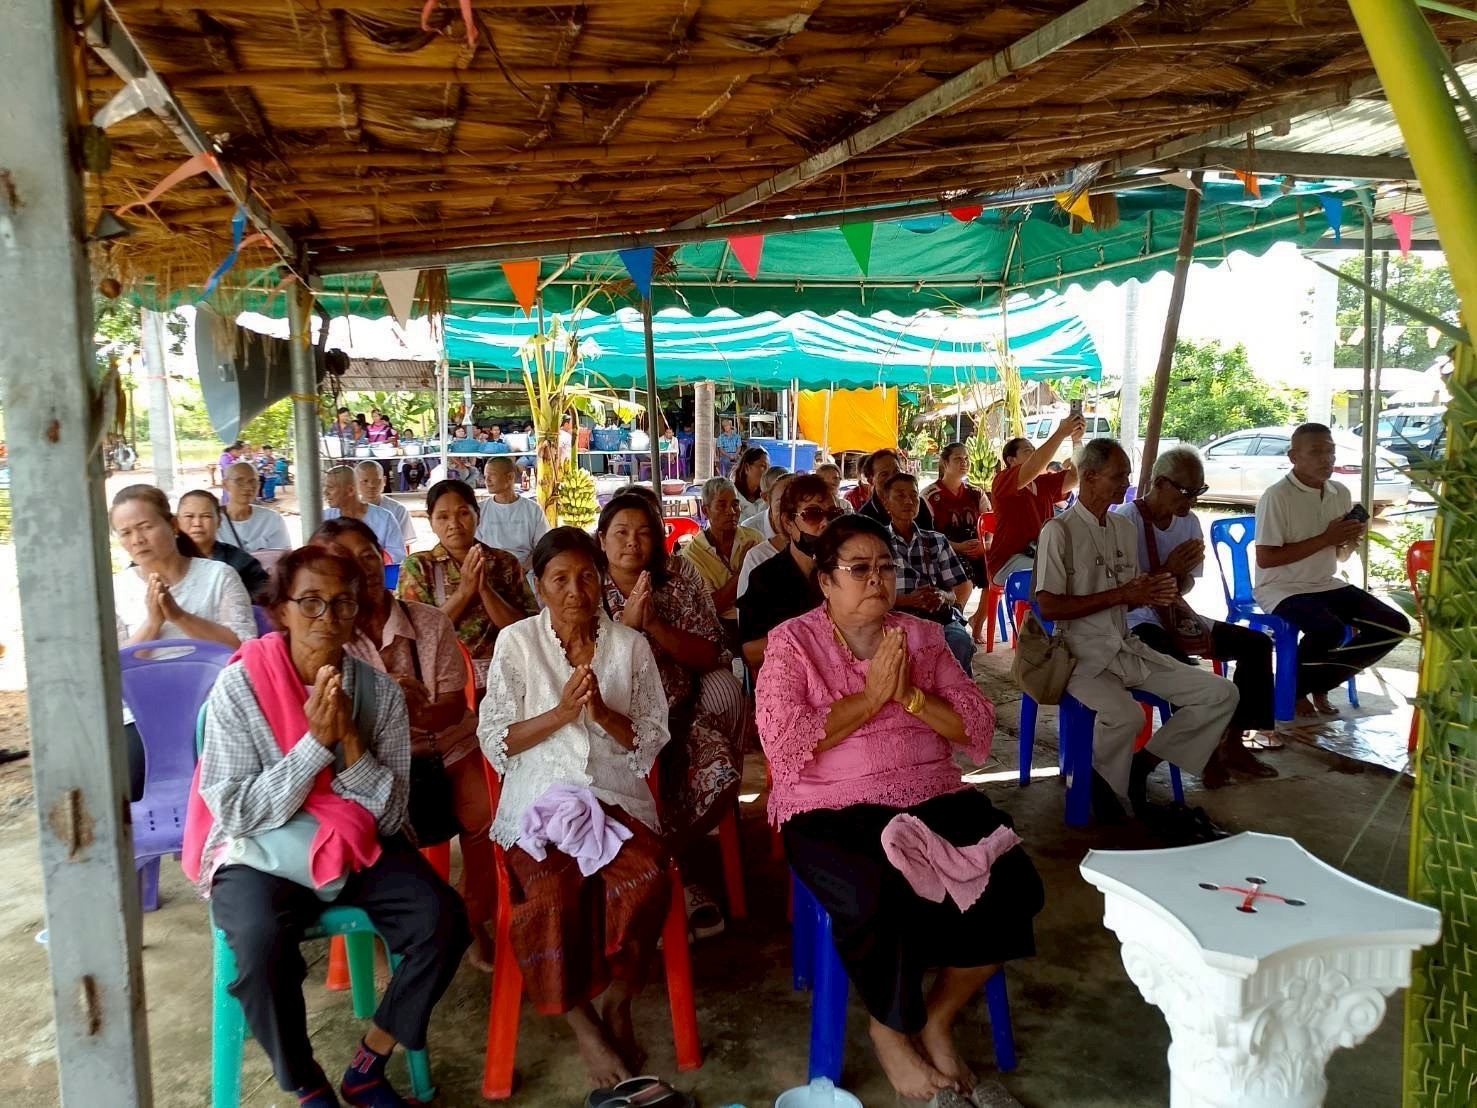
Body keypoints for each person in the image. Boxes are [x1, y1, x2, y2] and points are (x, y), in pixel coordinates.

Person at [756, 514, 1043, 1102]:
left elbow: (973, 724)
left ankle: (934, 1020)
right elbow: (783, 742)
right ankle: (891, 1033)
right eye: (858, 569)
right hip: (828, 806)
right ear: (826, 583)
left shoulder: (923, 637)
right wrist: (869, 698)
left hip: (931, 792)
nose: (876, 579)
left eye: (886, 567)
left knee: (1014, 883)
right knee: (877, 890)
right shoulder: (793, 643)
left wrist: (909, 695)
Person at [187, 543, 469, 1108]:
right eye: (310, 603)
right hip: (259, 850)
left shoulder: (378, 692)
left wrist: (353, 747)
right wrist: (315, 748)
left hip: (357, 841)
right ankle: (304, 1080)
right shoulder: (239, 688)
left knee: (443, 921)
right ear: (281, 610)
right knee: (260, 942)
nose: (327, 618)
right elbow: (236, 811)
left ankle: (370, 1061)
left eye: (343, 604)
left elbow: (391, 816)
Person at [479, 528, 672, 1088]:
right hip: (538, 804)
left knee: (647, 877)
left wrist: (603, 714)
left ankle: (617, 1000)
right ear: (538, 586)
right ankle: (583, 1024)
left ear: (602, 580)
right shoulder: (517, 644)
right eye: (559, 579)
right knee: (548, 892)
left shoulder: (630, 647)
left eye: (587, 576)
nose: (575, 590)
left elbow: (651, 737)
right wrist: (562, 714)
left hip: (615, 797)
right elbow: (497, 741)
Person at [316, 518, 498, 971]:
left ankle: (469, 918)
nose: (362, 567)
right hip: (365, 761)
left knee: (489, 814)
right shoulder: (327, 639)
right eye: (345, 560)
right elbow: (332, 724)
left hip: (443, 751)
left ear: (383, 558)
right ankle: (379, 931)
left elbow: (453, 709)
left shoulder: (430, 622)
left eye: (367, 554)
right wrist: (385, 700)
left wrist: (412, 710)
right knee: (352, 822)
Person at [1034, 439, 1238, 835]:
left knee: (1221, 694)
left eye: (1127, 475)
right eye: (1119, 475)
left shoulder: (1123, 528)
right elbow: (1050, 607)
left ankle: (1141, 767)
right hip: (1079, 653)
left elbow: (1129, 597)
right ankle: (1109, 796)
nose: (1126, 483)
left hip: (1126, 644)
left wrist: (1158, 587)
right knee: (1124, 715)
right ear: (1089, 477)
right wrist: (1125, 594)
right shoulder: (1058, 531)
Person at [596, 493, 746, 937]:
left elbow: (710, 654)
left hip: (676, 712)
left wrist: (654, 626)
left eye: (644, 532)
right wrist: (624, 629)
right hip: (609, 723)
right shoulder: (584, 588)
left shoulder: (679, 583)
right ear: (602, 539)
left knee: (721, 771)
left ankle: (664, 864)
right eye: (620, 532)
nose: (632, 542)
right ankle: (673, 880)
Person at [1115, 447, 1278, 783]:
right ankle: (1199, 753)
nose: (1192, 499)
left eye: (1199, 491)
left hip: (1176, 612)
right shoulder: (1125, 521)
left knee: (1257, 645)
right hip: (1136, 621)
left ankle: (1233, 741)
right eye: (1186, 491)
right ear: (1160, 483)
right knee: (1183, 671)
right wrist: (1169, 569)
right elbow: (1125, 592)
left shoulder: (1187, 522)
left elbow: (1186, 584)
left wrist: (1175, 576)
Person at [1252, 422, 1410, 717]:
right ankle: (1300, 689)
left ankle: (1312, 683)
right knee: (1328, 629)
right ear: (1293, 457)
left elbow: (1338, 555)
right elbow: (1266, 559)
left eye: (1331, 451)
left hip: (1325, 582)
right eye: (1316, 452)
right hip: (1281, 587)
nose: (1327, 459)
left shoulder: (1340, 492)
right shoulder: (1277, 496)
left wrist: (1349, 539)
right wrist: (1326, 538)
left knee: (1394, 625)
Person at [111, 485, 257, 801]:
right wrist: (153, 621)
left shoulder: (219, 575)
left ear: (172, 524)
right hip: (141, 712)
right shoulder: (117, 588)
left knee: (229, 788)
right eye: (125, 533)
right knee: (126, 782)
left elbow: (244, 647)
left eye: (146, 527)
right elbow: (114, 666)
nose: (136, 539)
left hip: (217, 705)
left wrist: (179, 616)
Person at [397, 480, 538, 691]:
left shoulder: (504, 563)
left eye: (463, 513)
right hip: (445, 685)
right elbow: (416, 635)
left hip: (505, 679)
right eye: (443, 517)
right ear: (431, 523)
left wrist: (484, 590)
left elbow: (527, 629)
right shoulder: (419, 566)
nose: (453, 523)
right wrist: (464, 592)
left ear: (477, 515)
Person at [738, 474, 842, 672]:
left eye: (833, 514)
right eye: (813, 514)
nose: (825, 523)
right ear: (787, 522)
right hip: (787, 675)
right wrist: (812, 635)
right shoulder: (765, 577)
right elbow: (750, 651)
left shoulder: (843, 570)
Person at [881, 472, 975, 674]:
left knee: (960, 641)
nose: (908, 501)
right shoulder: (877, 543)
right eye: (899, 495)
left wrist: (943, 596)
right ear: (885, 503)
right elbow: (868, 594)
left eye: (914, 495)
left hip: (935, 615)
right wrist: (907, 601)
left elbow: (957, 587)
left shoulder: (936, 540)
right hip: (893, 618)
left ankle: (959, 700)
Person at [987, 416, 1084, 586]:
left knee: (1079, 569)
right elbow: (1035, 464)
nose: (1033, 452)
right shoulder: (1002, 480)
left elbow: (1075, 477)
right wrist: (1060, 433)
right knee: (1057, 574)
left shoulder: (1042, 482)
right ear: (1011, 460)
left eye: (1033, 449)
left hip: (1039, 555)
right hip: (1008, 561)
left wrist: (1077, 441)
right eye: (1027, 450)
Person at [681, 476, 763, 645]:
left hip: (759, 620)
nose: (731, 511)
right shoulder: (693, 554)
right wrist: (742, 572)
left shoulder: (754, 538)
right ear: (705, 510)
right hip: (721, 628)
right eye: (722, 505)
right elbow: (713, 607)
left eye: (735, 504)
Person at [925, 442, 991, 642]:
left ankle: (978, 620)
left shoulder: (976, 493)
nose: (964, 463)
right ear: (944, 463)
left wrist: (985, 544)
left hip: (976, 548)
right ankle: (955, 622)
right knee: (965, 580)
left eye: (966, 459)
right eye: (958, 459)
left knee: (995, 573)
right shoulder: (930, 496)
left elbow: (989, 522)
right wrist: (957, 546)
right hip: (946, 550)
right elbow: (928, 533)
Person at [176, 489, 270, 600]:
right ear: (176, 522)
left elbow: (263, 596)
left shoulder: (240, 562)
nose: (197, 523)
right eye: (189, 516)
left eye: (206, 516)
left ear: (219, 521)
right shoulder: (166, 557)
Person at [474, 456, 549, 570]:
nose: (486, 480)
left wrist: (521, 571)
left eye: (492, 475)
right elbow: (474, 548)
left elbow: (542, 548)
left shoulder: (533, 510)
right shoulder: (480, 510)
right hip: (489, 573)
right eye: (485, 476)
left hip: (525, 573)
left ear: (510, 477)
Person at [324, 465, 404, 564]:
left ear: (351, 490)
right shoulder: (324, 518)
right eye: (325, 487)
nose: (325, 492)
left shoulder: (384, 518)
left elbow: (397, 556)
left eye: (330, 487)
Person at [736, 471, 796, 598]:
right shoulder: (755, 555)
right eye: (781, 503)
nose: (789, 512)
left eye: (796, 504)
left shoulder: (819, 550)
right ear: (767, 500)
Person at [220, 460, 292, 552]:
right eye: (240, 481)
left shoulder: (271, 519)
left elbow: (283, 557)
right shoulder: (214, 522)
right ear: (225, 484)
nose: (248, 487)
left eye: (253, 482)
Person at [856, 450, 936, 531]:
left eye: (896, 471)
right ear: (870, 480)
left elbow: (931, 539)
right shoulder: (865, 518)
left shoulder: (917, 503)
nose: (892, 477)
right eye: (884, 474)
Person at [355, 460, 415, 553]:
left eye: (376, 480)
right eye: (365, 481)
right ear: (355, 483)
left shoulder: (398, 510)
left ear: (384, 481)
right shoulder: (349, 510)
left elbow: (404, 546)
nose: (371, 485)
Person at [739, 464, 790, 537]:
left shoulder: (800, 522)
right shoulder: (750, 528)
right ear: (766, 497)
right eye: (782, 498)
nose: (789, 502)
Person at [732, 445, 769, 516]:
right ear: (747, 467)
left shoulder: (766, 499)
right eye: (762, 466)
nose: (766, 472)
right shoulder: (731, 494)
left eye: (768, 467)